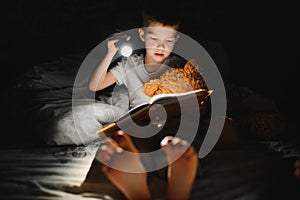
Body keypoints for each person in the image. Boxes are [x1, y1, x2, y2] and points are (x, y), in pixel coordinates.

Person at [80, 7, 199, 200]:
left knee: (183, 136)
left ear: (176, 40)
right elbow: (95, 85)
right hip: (141, 122)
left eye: (168, 41)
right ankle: (146, 182)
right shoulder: (130, 65)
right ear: (142, 35)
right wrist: (110, 52)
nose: (161, 47)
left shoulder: (179, 67)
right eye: (154, 39)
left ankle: (171, 184)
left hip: (171, 122)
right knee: (126, 140)